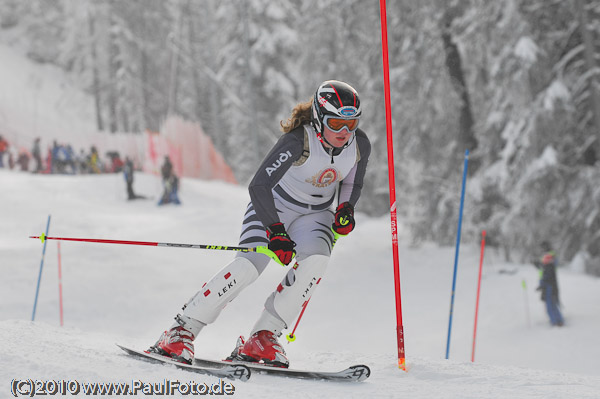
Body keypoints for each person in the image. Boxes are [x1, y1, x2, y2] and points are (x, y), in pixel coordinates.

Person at [147, 80, 370, 367]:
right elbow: (259, 186)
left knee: (316, 261)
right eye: (336, 123)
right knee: (247, 267)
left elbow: (353, 181)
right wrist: (276, 232)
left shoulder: (359, 144)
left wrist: (345, 210)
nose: (344, 132)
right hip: (273, 208)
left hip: (315, 215)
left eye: (351, 124)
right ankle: (181, 330)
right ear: (318, 118)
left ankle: (263, 338)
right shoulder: (298, 141)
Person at [533, 241, 564, 327]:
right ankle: (556, 320)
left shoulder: (550, 255)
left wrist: (542, 283)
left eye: (542, 248)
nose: (541, 250)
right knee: (549, 303)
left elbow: (547, 270)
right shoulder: (547, 257)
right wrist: (538, 265)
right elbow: (544, 267)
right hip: (547, 283)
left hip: (550, 284)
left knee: (551, 303)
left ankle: (557, 321)